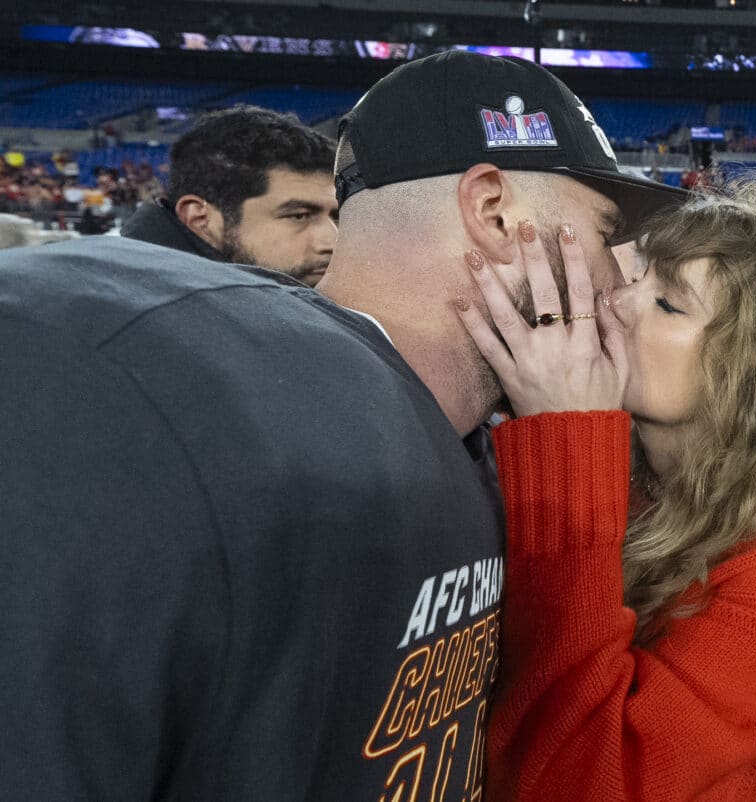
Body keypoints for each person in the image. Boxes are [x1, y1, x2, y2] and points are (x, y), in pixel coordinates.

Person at [0, 51, 683, 800]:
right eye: (608, 230)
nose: (621, 281)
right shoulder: (150, 378)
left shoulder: (470, 434)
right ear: (493, 212)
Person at [457, 178, 756, 801]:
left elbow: (592, 782)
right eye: (639, 279)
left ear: (753, 370)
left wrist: (566, 440)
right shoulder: (630, 471)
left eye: (668, 304)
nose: (618, 303)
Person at [121, 105, 339, 286]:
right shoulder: (137, 320)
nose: (332, 242)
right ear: (201, 220)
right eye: (299, 216)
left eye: (336, 216)